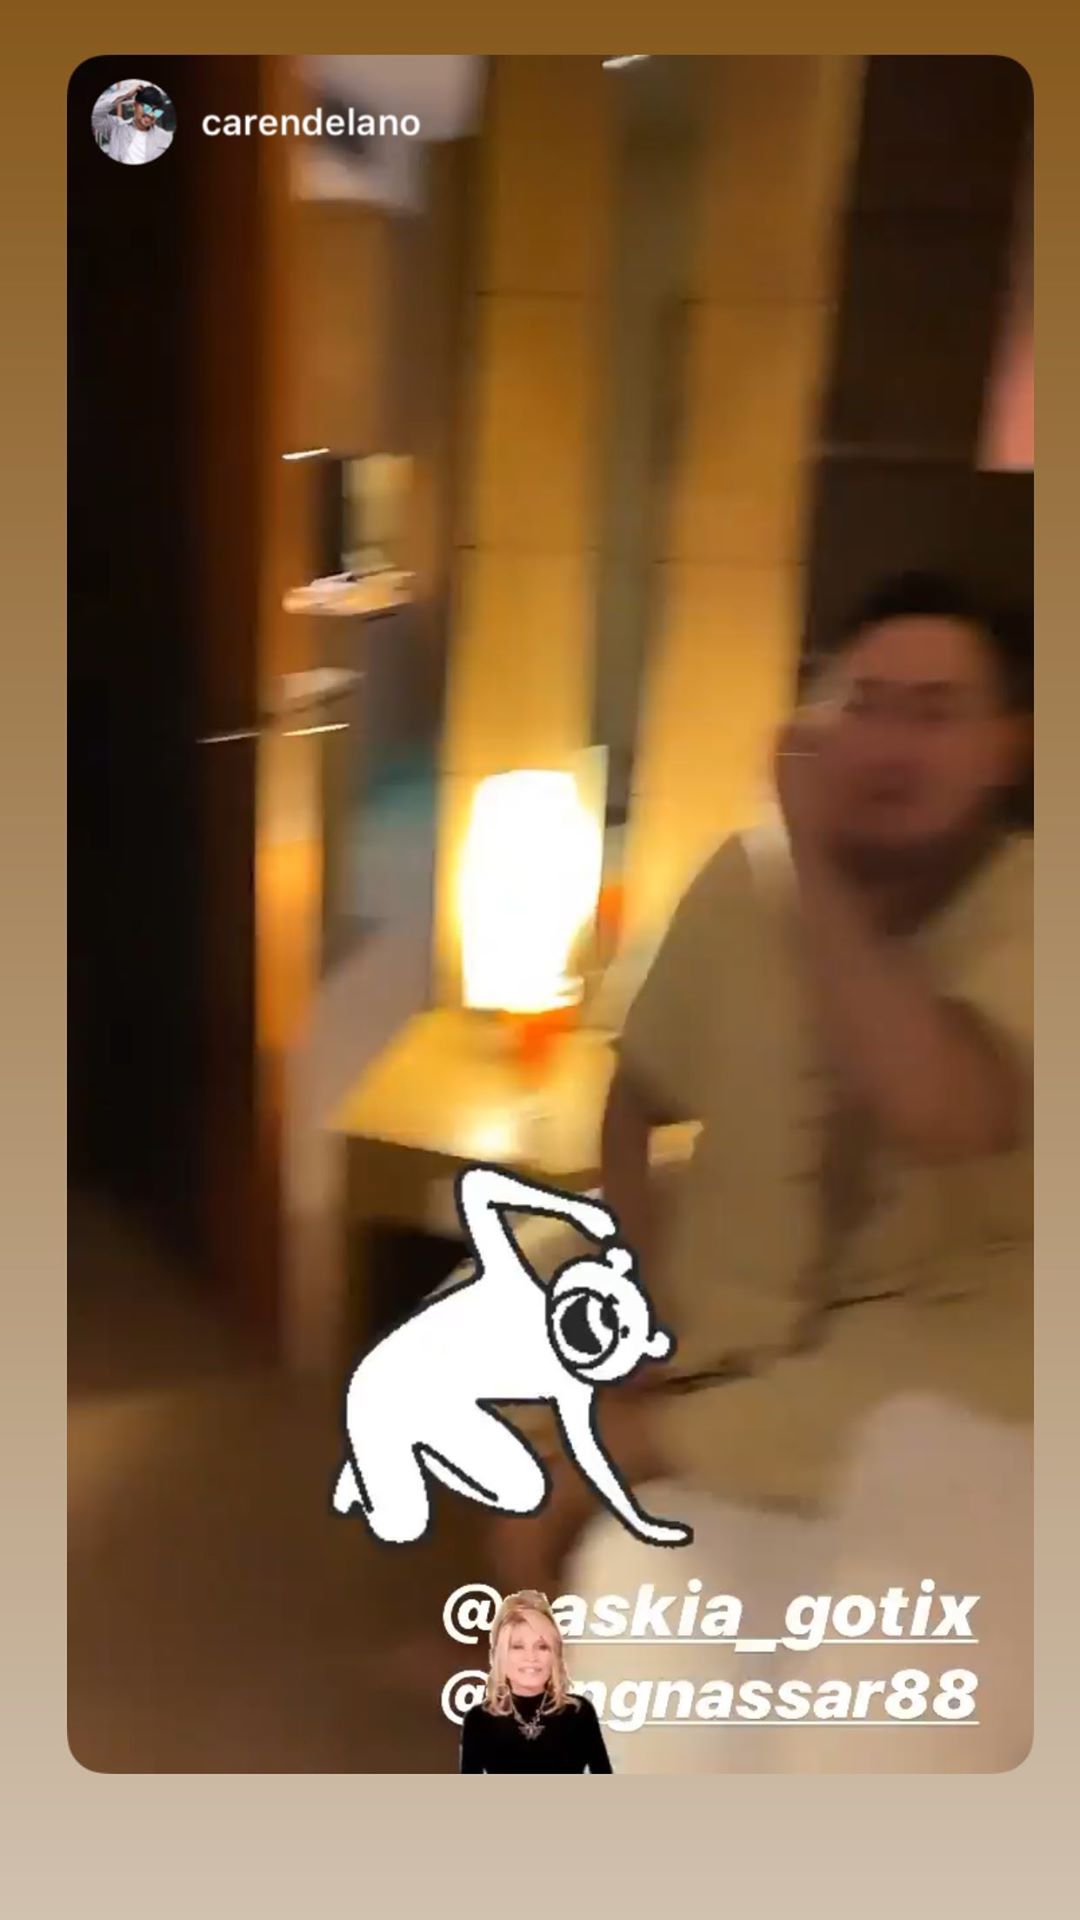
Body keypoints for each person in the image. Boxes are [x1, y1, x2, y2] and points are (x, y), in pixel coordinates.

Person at [493, 570, 1033, 1606]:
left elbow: (943, 1109)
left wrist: (816, 870)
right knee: (480, 1335)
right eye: (865, 705)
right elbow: (636, 1099)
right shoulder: (744, 877)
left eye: (934, 713)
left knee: (912, 1425)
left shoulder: (1043, 905)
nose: (890, 746)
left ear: (1008, 745)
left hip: (945, 1324)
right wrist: (636, 1282)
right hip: (728, 1273)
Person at [459, 1591, 613, 1773]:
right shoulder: (478, 1720)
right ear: (499, 1655)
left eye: (542, 1646)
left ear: (555, 1654)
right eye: (518, 1647)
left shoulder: (579, 1713)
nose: (531, 1657)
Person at [93, 85, 174, 165]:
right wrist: (126, 94)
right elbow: (94, 113)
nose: (151, 114)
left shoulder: (166, 138)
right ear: (135, 105)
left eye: (156, 111)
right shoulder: (116, 127)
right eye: (147, 108)